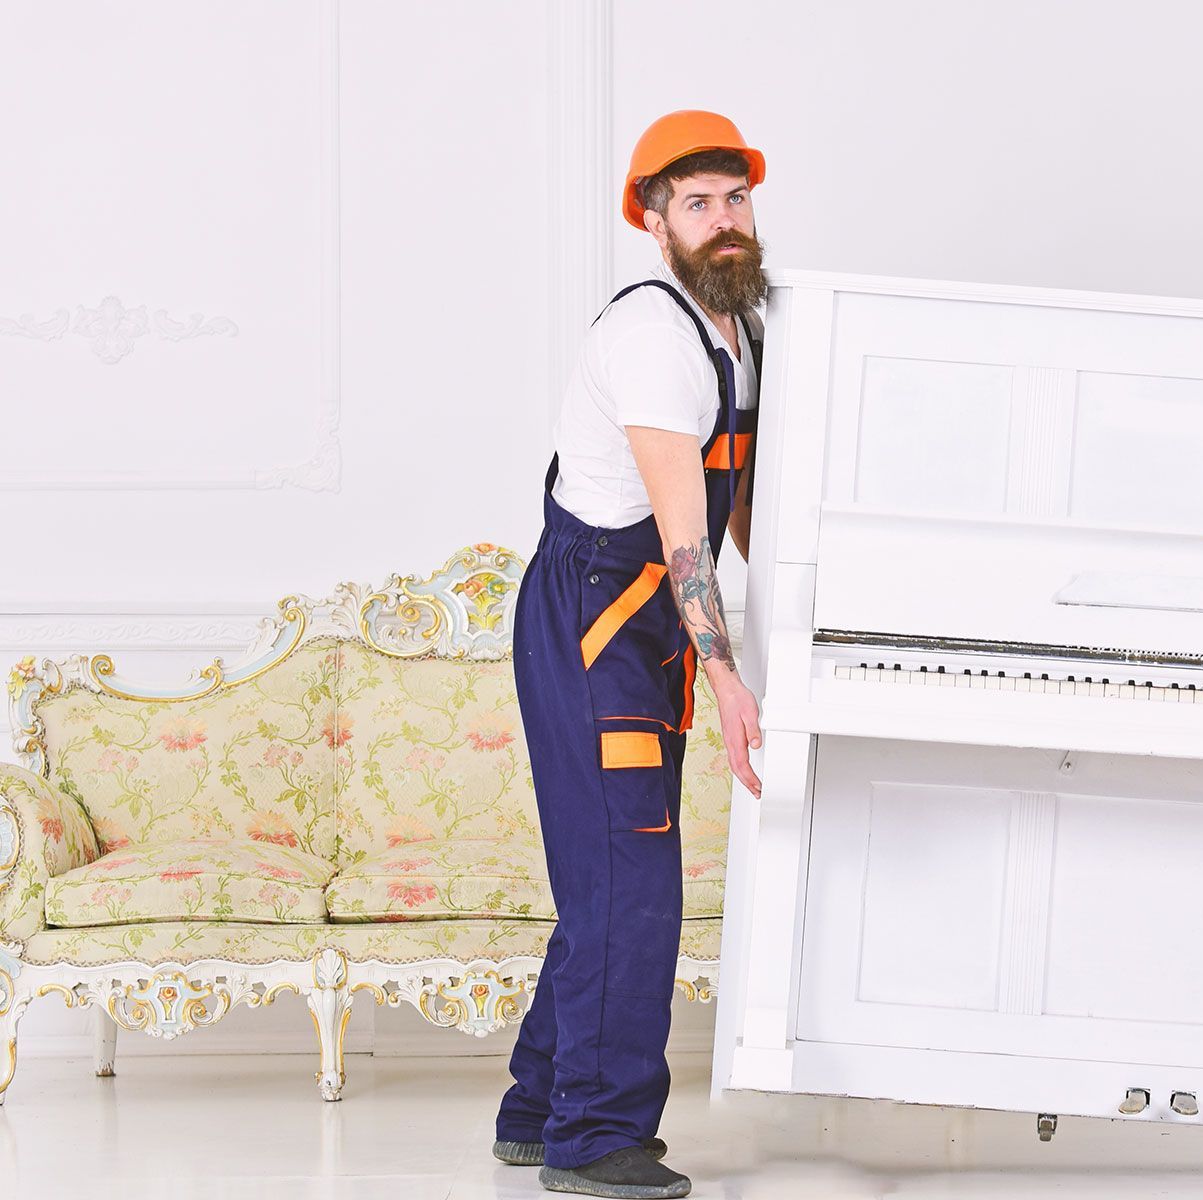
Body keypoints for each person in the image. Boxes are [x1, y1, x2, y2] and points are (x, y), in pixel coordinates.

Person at [492, 109, 770, 1200]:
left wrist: (804, 611)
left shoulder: (743, 324)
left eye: (736, 197)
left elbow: (741, 497)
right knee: (632, 877)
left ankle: (534, 1108)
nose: (724, 220)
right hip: (596, 613)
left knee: (613, 872)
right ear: (656, 222)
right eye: (697, 203)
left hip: (650, 621)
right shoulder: (657, 336)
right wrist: (734, 675)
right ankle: (593, 1140)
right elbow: (683, 528)